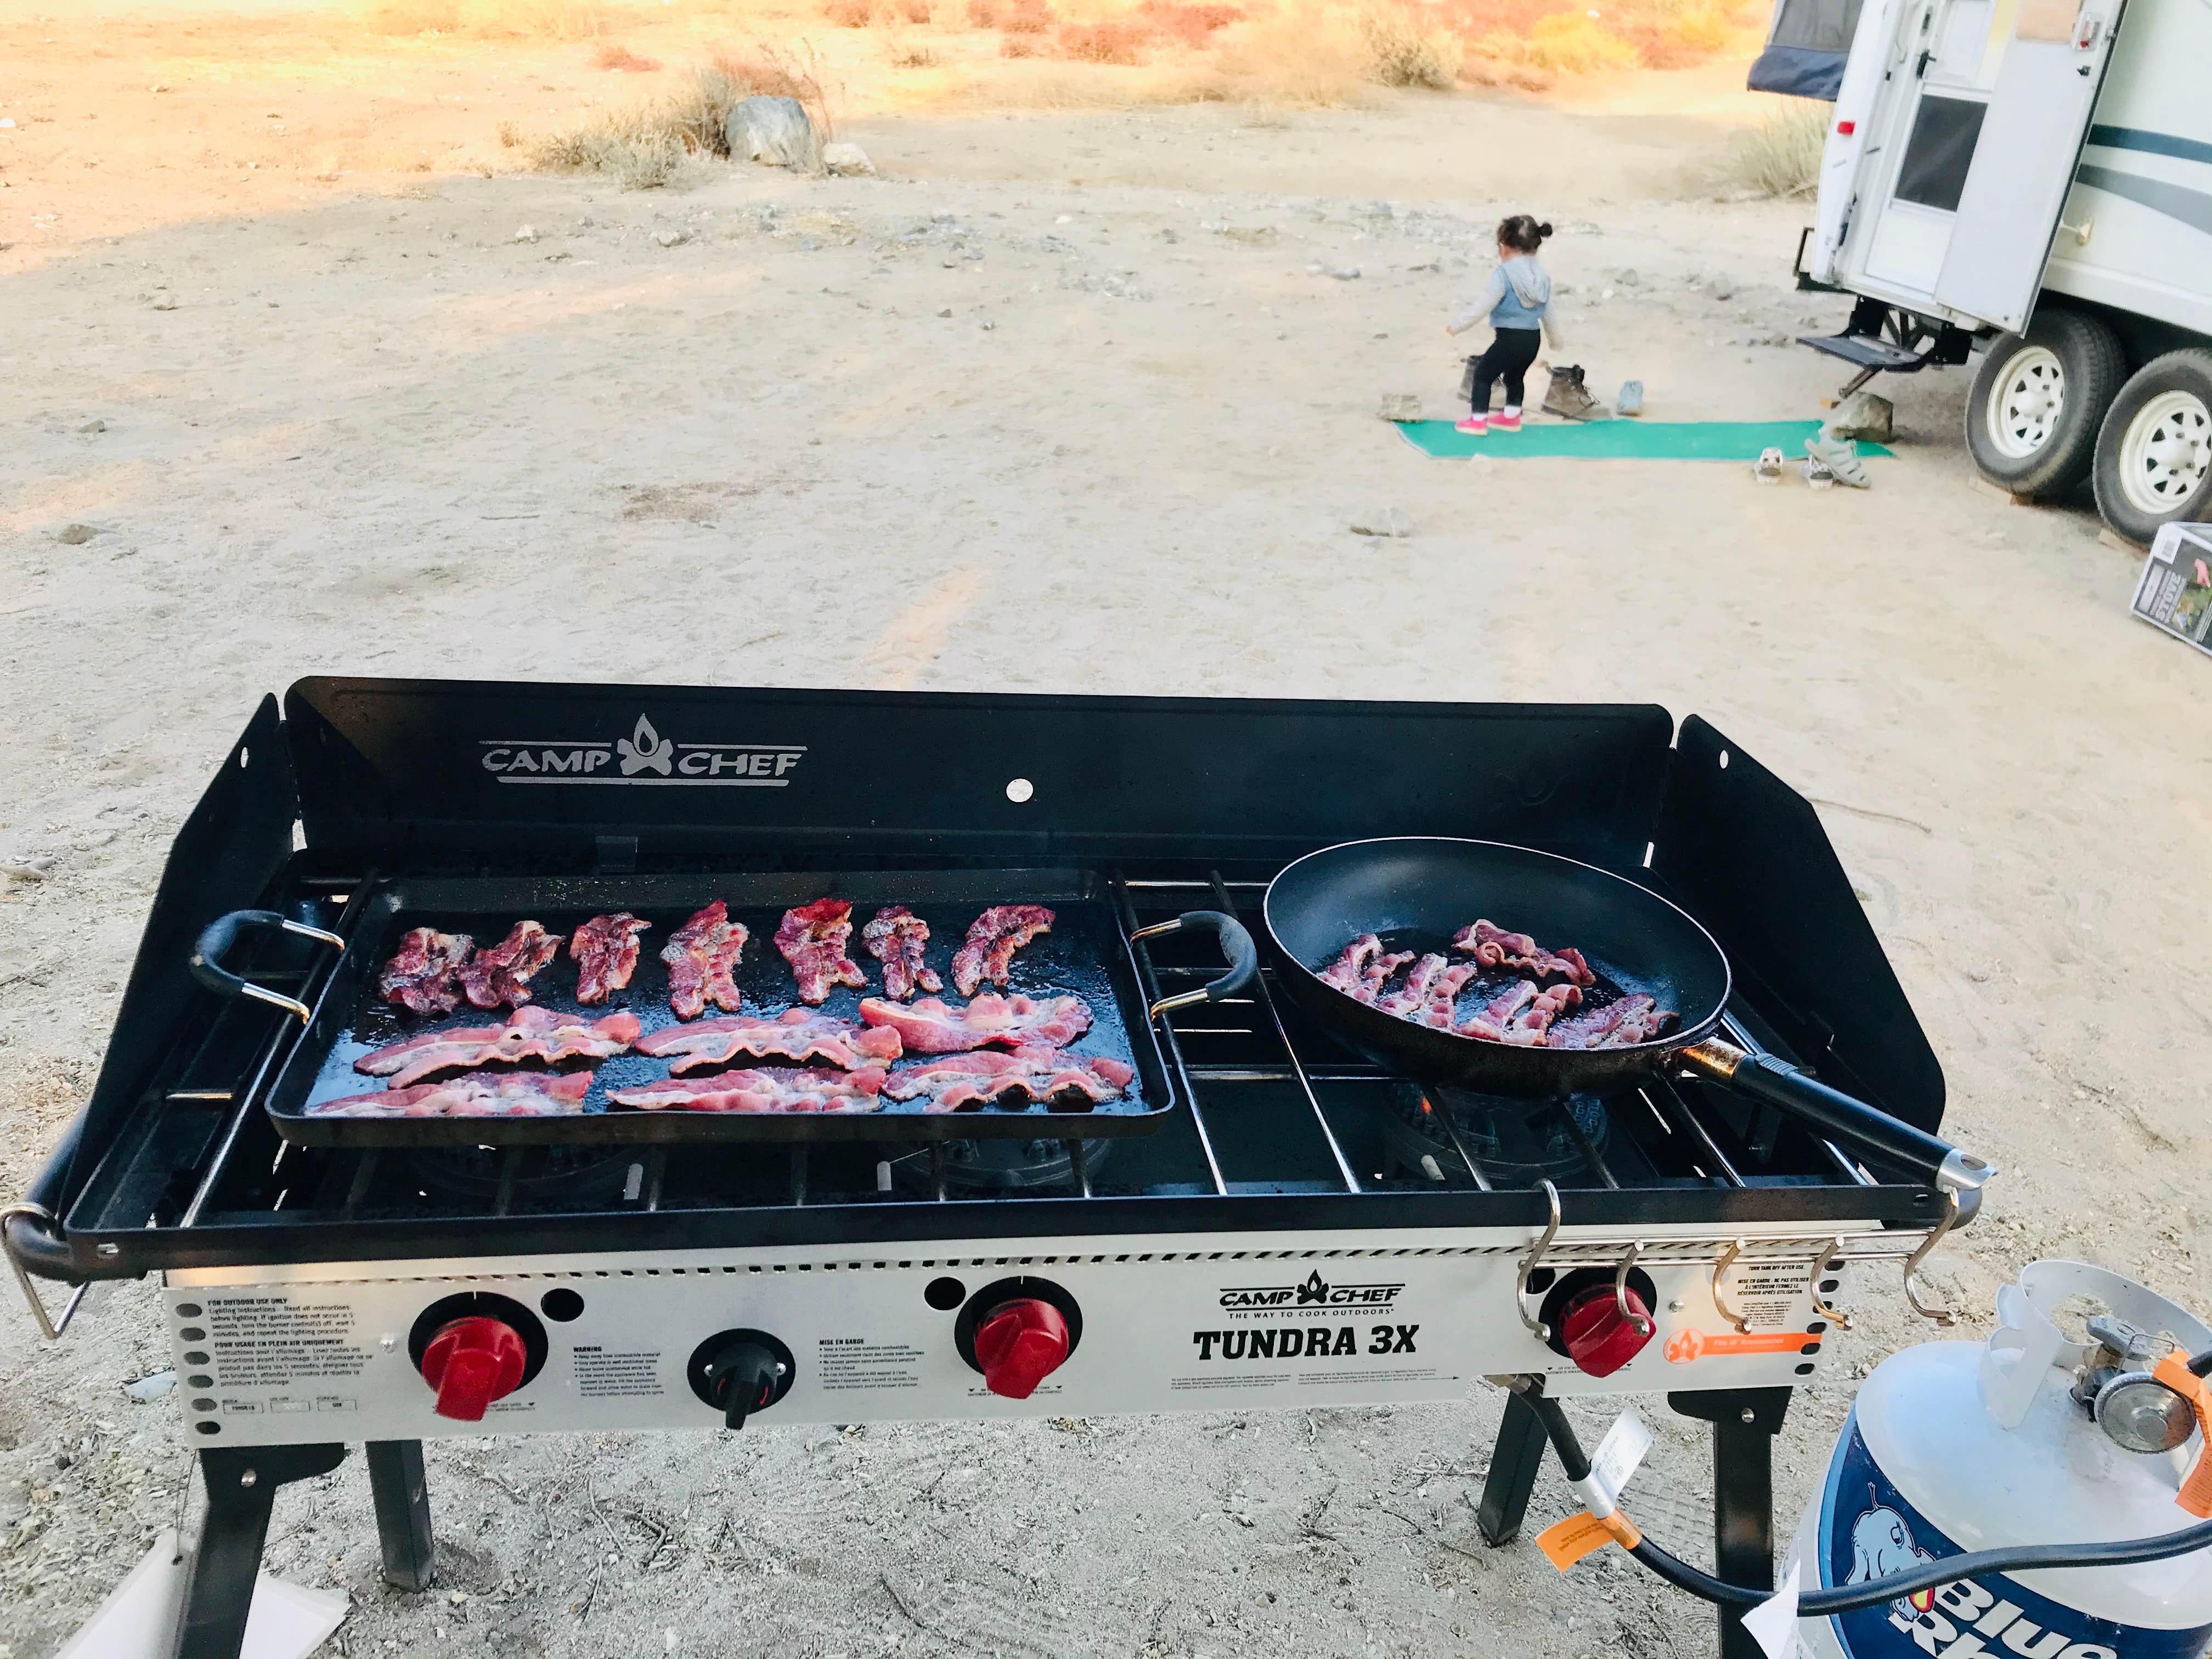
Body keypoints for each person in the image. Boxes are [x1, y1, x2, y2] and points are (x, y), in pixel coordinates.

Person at [1445, 215, 1562, 436]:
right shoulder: (1542, 278)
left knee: (1483, 375)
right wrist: (1556, 340)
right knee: (1514, 377)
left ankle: (1478, 421)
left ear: (1503, 247)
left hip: (1510, 338)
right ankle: (1511, 417)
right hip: (1532, 339)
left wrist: (1458, 325)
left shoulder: (1504, 274)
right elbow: (1549, 312)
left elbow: (1484, 305)